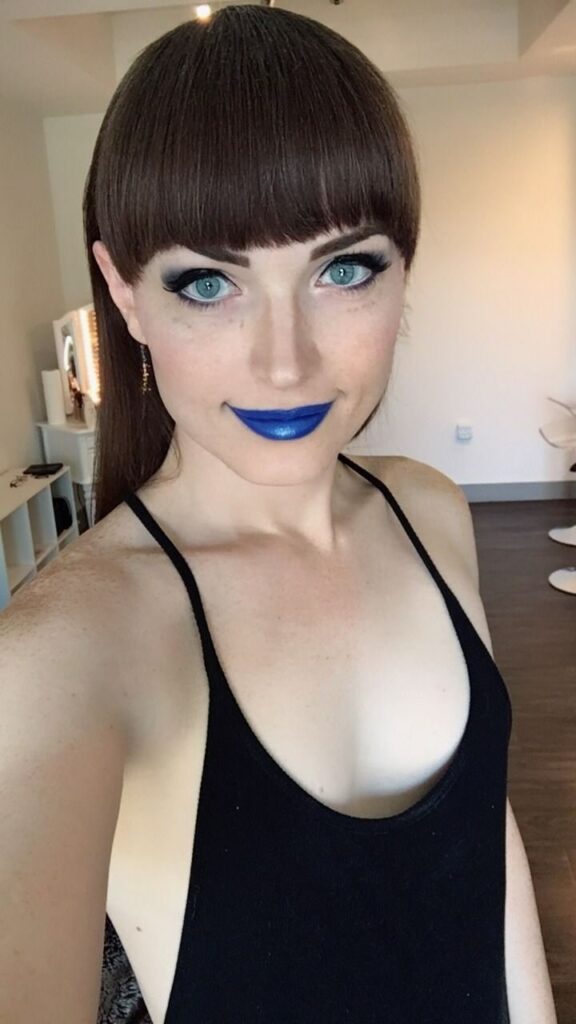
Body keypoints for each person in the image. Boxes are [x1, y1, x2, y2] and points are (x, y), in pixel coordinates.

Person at [1, 6, 557, 1024]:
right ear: (125, 295)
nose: (286, 361)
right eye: (208, 282)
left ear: (405, 267)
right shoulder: (65, 654)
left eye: (344, 268)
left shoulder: (431, 510)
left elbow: (489, 837)